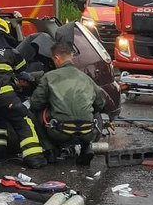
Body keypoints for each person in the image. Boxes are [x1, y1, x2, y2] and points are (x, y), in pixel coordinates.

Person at [0, 17, 46, 168]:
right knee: (23, 120)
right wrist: (32, 78)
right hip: (5, 94)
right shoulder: (11, 52)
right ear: (5, 33)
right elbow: (21, 72)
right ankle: (34, 158)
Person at [30, 37, 106, 165]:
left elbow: (35, 103)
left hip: (59, 131)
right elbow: (100, 104)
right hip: (87, 131)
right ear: (71, 57)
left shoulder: (49, 77)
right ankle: (87, 147)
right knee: (95, 111)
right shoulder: (86, 78)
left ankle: (50, 150)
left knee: (34, 113)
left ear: (56, 58)